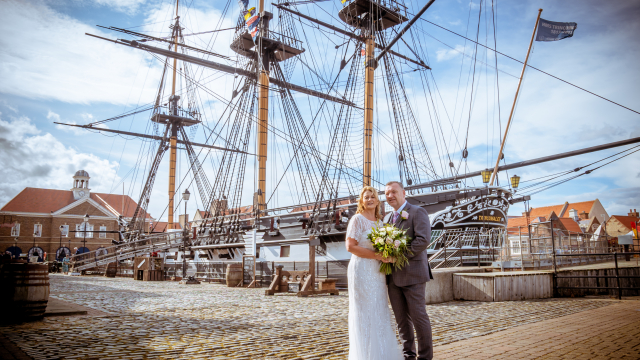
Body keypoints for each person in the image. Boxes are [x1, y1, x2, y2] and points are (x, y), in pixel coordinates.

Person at [345, 186, 402, 360]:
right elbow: (350, 247)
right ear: (361, 201)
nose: (369, 199)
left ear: (377, 201)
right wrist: (378, 255)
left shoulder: (380, 222)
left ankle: (382, 353)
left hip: (377, 271)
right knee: (364, 311)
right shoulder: (357, 219)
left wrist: (390, 255)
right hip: (361, 269)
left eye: (373, 197)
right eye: (366, 197)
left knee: (379, 308)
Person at [384, 181, 433, 360]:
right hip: (393, 279)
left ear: (404, 193)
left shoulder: (417, 212)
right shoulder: (387, 219)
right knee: (402, 321)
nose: (390, 196)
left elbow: (423, 240)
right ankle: (408, 356)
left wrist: (399, 256)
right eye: (387, 193)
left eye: (394, 192)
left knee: (419, 318)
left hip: (413, 275)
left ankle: (425, 357)